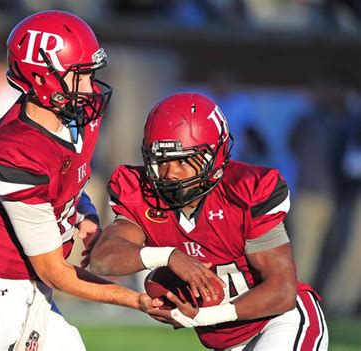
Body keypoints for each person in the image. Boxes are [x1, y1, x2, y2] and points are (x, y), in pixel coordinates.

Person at [0, 11, 166, 351]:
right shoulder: (14, 153)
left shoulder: (76, 120)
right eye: (79, 76)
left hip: (36, 291)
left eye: (90, 75)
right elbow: (55, 269)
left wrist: (83, 211)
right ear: (43, 78)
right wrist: (135, 300)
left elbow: (67, 180)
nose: (90, 88)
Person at [89, 92, 329, 350]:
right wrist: (168, 256)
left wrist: (204, 316)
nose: (170, 173)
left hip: (279, 322)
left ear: (213, 157)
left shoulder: (245, 191)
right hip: (225, 342)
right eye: (161, 161)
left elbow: (282, 292)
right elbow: (103, 258)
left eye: (182, 161)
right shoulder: (143, 194)